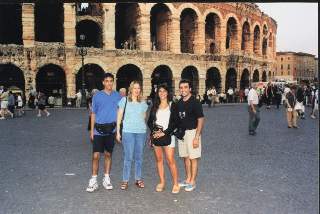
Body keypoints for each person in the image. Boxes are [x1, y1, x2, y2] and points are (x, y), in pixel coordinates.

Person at [86, 73, 122, 193]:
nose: (109, 83)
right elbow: (93, 113)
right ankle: (94, 179)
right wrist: (91, 130)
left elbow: (119, 113)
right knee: (95, 155)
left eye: (111, 81)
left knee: (108, 154)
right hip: (98, 130)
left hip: (111, 129)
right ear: (103, 82)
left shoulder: (118, 96)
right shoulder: (97, 96)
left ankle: (106, 178)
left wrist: (118, 129)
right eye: (107, 81)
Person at [147, 84, 180, 194]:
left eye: (164, 91)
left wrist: (164, 133)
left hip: (168, 136)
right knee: (159, 160)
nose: (162, 93)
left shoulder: (172, 105)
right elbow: (149, 122)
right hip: (157, 137)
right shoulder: (155, 106)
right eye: (160, 91)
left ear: (167, 92)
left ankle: (176, 183)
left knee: (170, 160)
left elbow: (175, 122)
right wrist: (153, 133)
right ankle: (162, 182)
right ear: (157, 93)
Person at [116, 81, 149, 190]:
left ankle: (138, 179)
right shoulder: (124, 100)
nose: (137, 90)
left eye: (138, 88)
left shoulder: (143, 102)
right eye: (135, 88)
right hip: (128, 132)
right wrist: (117, 132)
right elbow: (119, 116)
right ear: (131, 89)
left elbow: (144, 117)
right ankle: (125, 180)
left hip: (141, 132)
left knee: (139, 157)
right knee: (128, 157)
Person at [174, 79, 204, 192]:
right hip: (182, 133)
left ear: (190, 88)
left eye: (185, 87)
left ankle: (193, 181)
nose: (183, 90)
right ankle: (187, 179)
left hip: (192, 133)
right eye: (181, 88)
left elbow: (201, 119)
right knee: (185, 157)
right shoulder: (179, 103)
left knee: (193, 158)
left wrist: (197, 137)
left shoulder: (195, 102)